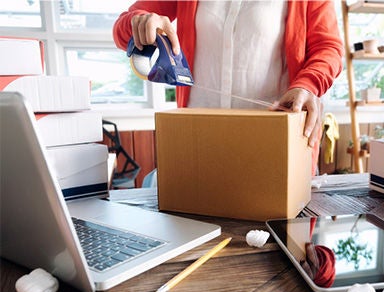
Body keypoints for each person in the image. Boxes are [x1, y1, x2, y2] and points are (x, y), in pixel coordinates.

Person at [113, 0, 344, 174]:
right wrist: (140, 22)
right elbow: (122, 30)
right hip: (198, 145)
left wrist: (308, 84)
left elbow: (329, 47)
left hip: (276, 148)